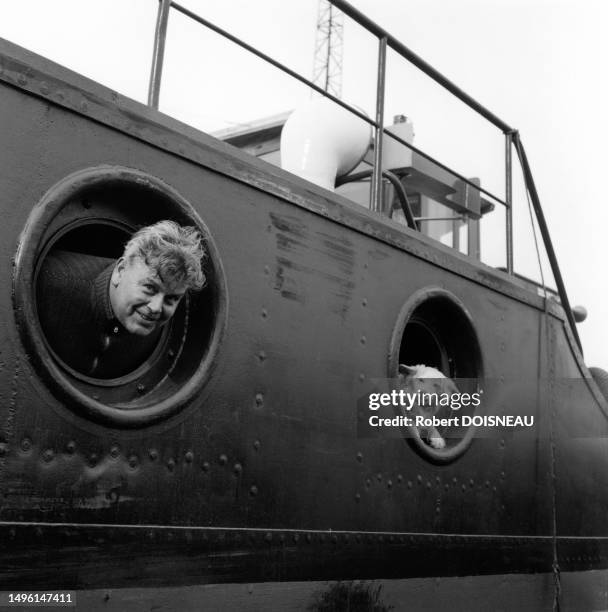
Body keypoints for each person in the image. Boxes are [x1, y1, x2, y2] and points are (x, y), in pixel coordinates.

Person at [37, 220, 206, 379]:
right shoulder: (49, 284)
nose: (156, 307)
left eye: (171, 299)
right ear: (120, 270)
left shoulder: (166, 333)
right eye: (149, 288)